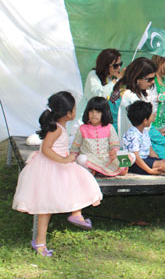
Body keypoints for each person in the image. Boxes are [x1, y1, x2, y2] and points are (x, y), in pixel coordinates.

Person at [12, 92, 102, 256]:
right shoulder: (56, 129)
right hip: (50, 168)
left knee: (79, 184)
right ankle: (40, 242)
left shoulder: (59, 127)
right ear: (68, 113)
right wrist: (62, 159)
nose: (75, 111)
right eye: (74, 108)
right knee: (46, 207)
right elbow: (46, 149)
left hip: (57, 166)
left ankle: (76, 214)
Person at [70, 48, 124, 134]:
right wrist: (116, 80)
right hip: (85, 120)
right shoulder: (93, 75)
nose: (119, 68)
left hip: (102, 122)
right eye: (115, 66)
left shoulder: (112, 80)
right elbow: (99, 95)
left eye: (120, 64)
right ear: (106, 65)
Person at [71, 96, 127, 176]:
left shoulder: (109, 127)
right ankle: (109, 171)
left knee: (128, 155)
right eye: (91, 111)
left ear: (104, 113)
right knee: (81, 158)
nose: (94, 115)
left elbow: (115, 146)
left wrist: (114, 151)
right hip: (90, 160)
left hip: (106, 160)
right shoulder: (82, 128)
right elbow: (75, 149)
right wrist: (71, 160)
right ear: (87, 112)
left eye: (98, 112)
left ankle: (99, 171)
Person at [109, 57, 156, 139]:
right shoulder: (129, 96)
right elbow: (140, 128)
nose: (153, 82)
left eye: (153, 78)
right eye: (150, 79)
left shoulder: (126, 89)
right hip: (123, 142)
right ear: (137, 78)